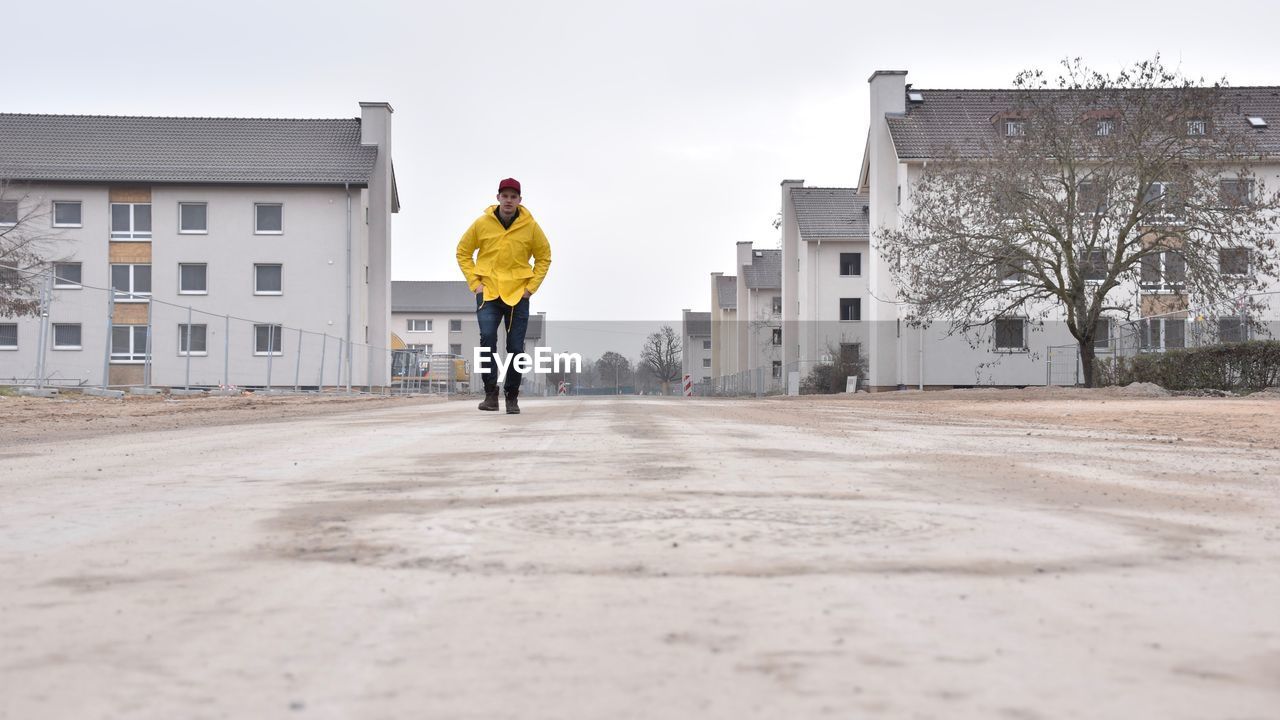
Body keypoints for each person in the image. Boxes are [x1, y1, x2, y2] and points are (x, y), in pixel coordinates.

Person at [455, 178, 552, 414]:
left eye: (513, 196)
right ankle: (490, 395)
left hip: (518, 295)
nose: (509, 200)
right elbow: (463, 252)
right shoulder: (482, 223)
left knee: (516, 348)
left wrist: (530, 289)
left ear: (519, 200)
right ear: (498, 197)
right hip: (488, 292)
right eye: (505, 195)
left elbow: (544, 257)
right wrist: (475, 284)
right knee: (487, 340)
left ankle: (512, 397)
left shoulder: (531, 227)